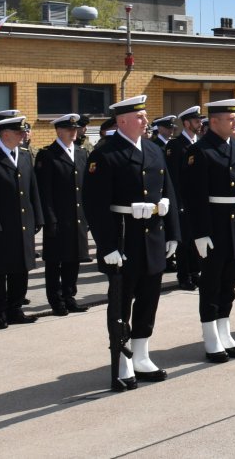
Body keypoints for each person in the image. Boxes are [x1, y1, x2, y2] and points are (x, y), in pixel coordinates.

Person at [82, 95, 180, 391]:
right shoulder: (105, 154)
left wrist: (173, 232)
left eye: (145, 116)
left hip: (152, 234)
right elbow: (94, 205)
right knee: (122, 302)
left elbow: (169, 191)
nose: (145, 121)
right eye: (140, 117)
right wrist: (106, 245)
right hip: (124, 237)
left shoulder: (152, 149)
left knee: (149, 297)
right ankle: (122, 357)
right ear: (122, 121)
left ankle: (141, 354)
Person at [181, 99, 235, 362]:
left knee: (230, 282)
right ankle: (211, 336)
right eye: (230, 118)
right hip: (214, 226)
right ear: (213, 122)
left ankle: (224, 330)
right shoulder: (200, 151)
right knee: (211, 283)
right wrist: (200, 233)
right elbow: (193, 197)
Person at [0, 114, 45, 328]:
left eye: (23, 131)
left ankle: (15, 309)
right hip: (0, 225)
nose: (23, 135)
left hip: (23, 222)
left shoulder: (23, 155)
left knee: (20, 269)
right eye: (18, 132)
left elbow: (33, 189)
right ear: (5, 134)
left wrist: (38, 217)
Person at [36, 114, 91, 315]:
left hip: (77, 217)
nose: (74, 132)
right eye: (69, 129)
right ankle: (56, 300)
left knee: (73, 258)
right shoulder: (48, 155)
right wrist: (49, 219)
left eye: (75, 129)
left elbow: (85, 188)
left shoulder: (81, 153)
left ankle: (69, 296)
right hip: (58, 217)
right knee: (55, 262)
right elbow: (45, 191)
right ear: (59, 131)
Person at [163, 105, 203, 290]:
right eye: (196, 121)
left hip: (198, 201)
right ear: (186, 123)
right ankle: (184, 275)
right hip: (183, 202)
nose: (200, 124)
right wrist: (178, 203)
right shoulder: (175, 146)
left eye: (200, 120)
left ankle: (196, 273)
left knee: (197, 239)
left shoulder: (200, 143)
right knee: (184, 241)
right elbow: (173, 177)